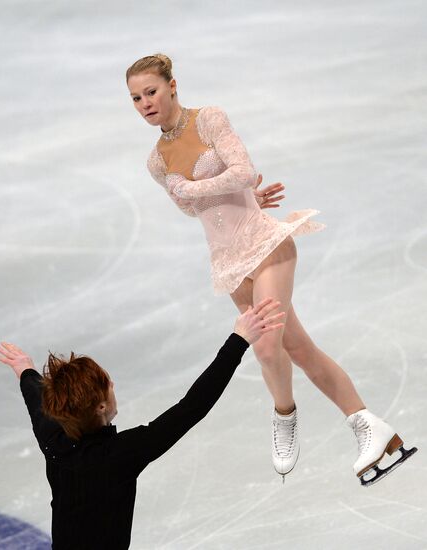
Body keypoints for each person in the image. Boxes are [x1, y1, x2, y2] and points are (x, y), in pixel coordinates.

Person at [125, 53, 417, 486]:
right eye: (135, 98)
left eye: (151, 91)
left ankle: (285, 417)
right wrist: (236, 201)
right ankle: (371, 426)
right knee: (298, 349)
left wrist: (212, 191)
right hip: (228, 263)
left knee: (263, 347)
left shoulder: (209, 119)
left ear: (172, 86)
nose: (145, 103)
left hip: (265, 246)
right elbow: (193, 208)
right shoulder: (155, 161)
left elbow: (245, 171)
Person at [0, 299, 283, 550]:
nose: (113, 385)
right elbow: (192, 407)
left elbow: (37, 398)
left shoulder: (53, 436)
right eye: (108, 384)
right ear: (101, 407)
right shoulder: (119, 455)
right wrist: (239, 340)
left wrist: (25, 369)